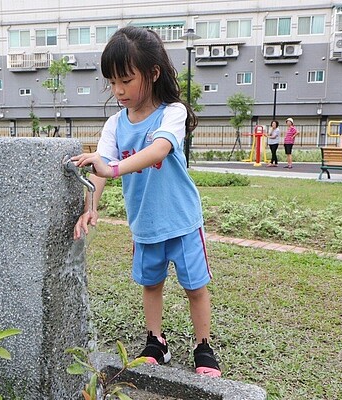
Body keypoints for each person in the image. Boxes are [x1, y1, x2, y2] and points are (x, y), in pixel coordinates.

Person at [71, 26, 221, 377]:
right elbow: (99, 169)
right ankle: (156, 341)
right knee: (151, 284)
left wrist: (112, 169)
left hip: (183, 220)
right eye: (111, 82)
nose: (118, 90)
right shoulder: (114, 124)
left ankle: (203, 346)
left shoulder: (173, 112)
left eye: (125, 79)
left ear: (153, 73)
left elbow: (158, 149)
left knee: (194, 287)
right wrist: (90, 206)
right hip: (145, 225)